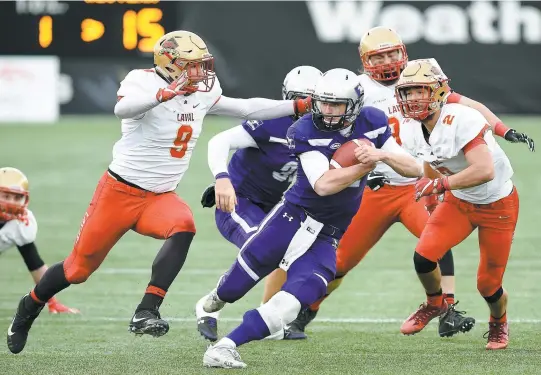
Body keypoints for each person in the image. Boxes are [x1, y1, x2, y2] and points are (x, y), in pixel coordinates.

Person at [6, 30, 312, 355]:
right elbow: (122, 110)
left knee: (184, 225)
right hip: (119, 191)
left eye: (201, 65)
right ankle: (28, 307)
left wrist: (295, 105)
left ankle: (147, 310)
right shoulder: (142, 82)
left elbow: (247, 108)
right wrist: (163, 95)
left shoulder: (204, 92)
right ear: (168, 63)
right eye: (190, 65)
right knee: (78, 270)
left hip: (160, 196)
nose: (199, 73)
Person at [283, 26, 533, 340]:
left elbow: (465, 105)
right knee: (342, 258)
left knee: (435, 246)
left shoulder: (421, 76)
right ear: (365, 60)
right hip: (379, 184)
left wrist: (502, 130)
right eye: (379, 55)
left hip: (419, 184)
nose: (388, 61)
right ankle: (307, 311)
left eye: (392, 53)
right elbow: (336, 127)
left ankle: (447, 307)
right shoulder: (358, 89)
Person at [200, 68, 422, 368]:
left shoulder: (373, 122)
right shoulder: (304, 129)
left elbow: (415, 168)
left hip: (328, 233)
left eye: (336, 105)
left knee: (298, 298)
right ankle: (210, 303)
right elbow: (324, 184)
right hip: (291, 220)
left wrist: (382, 156)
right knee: (233, 289)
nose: (327, 111)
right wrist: (362, 167)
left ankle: (225, 346)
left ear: (355, 105)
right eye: (323, 103)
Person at [396, 59, 518, 350]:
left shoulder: (462, 118)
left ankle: (498, 321)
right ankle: (435, 303)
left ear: (438, 91)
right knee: (423, 257)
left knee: (488, 285)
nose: (412, 99)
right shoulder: (411, 128)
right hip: (459, 201)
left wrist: (440, 185)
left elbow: (483, 170)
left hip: (496, 204)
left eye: (419, 91)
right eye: (408, 92)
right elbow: (431, 157)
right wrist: (430, 193)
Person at [196, 66, 323, 341]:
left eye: (315, 99)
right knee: (262, 247)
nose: (310, 107)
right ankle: (210, 304)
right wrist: (222, 179)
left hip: (280, 207)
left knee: (302, 256)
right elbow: (220, 141)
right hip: (239, 201)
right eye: (303, 99)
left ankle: (269, 321)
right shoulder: (275, 122)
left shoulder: (327, 129)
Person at [0, 167, 79, 314]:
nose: (11, 202)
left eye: (17, 197)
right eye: (6, 196)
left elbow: (35, 264)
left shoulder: (20, 224)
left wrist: (52, 301)